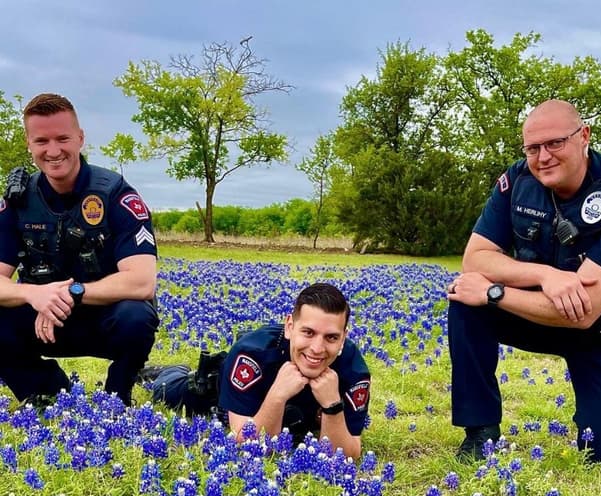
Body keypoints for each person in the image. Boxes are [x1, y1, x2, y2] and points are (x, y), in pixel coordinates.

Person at [446, 99, 601, 467]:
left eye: (555, 143)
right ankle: (480, 430)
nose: (543, 157)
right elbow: (475, 257)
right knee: (465, 298)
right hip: (535, 313)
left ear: (584, 136)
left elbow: (584, 312)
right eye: (533, 148)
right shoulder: (517, 181)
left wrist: (494, 292)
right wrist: (546, 275)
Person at [0, 93, 158, 406]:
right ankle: (46, 394)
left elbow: (142, 281)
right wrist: (33, 294)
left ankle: (117, 397)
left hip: (103, 315)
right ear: (29, 144)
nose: (53, 150)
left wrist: (70, 293)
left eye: (63, 138)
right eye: (41, 141)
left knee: (137, 315)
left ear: (80, 138)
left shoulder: (115, 193)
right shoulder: (18, 201)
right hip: (43, 318)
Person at [147, 282, 370, 457]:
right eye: (308, 332)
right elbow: (247, 443)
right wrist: (277, 394)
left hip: (297, 417)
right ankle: (169, 371)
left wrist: (332, 406)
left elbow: (348, 453)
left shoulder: (353, 369)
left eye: (331, 337)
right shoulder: (252, 354)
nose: (317, 348)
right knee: (166, 389)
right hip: (215, 394)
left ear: (344, 337)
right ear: (289, 326)